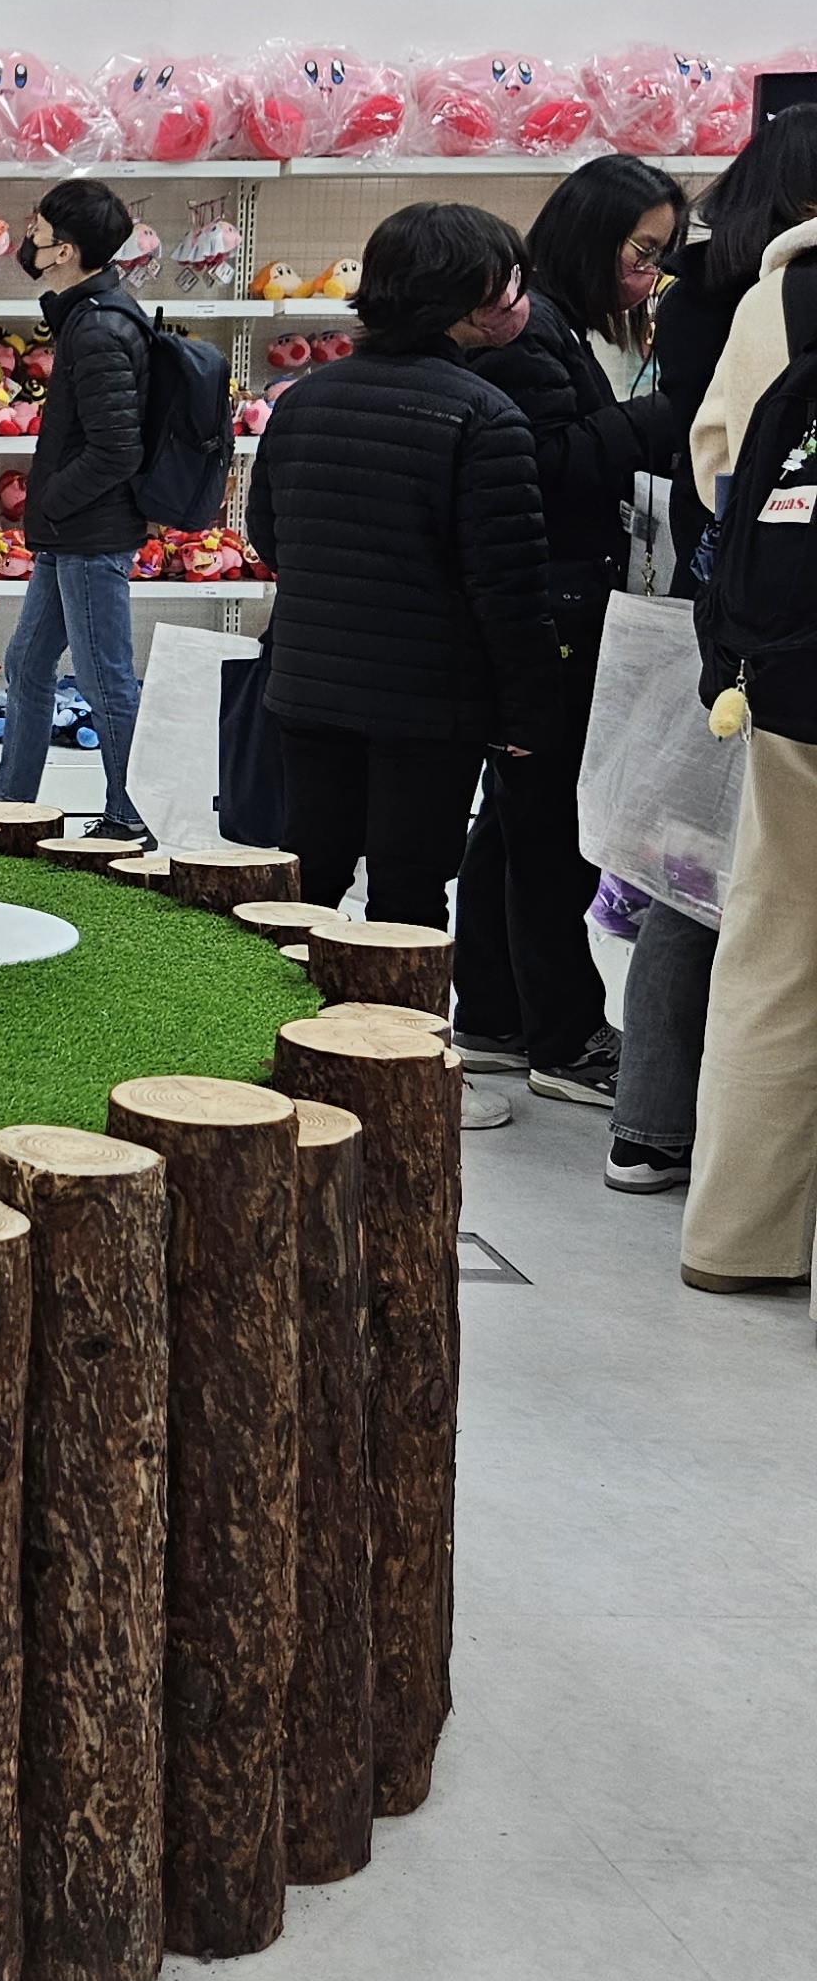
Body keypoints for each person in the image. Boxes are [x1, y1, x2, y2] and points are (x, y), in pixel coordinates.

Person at [244, 201, 558, 935]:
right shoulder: (485, 416)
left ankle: (279, 1010)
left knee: (305, 879)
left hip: (309, 682)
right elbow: (507, 589)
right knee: (409, 895)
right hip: (429, 704)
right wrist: (528, 713)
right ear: (475, 290)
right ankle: (392, 1014)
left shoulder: (302, 400)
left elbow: (269, 536)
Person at [605, 108, 817, 1191]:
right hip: (764, 615)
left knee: (714, 883)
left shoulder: (718, 293)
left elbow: (707, 454)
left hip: (741, 610)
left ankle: (675, 1150)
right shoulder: (768, 292)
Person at [450, 157, 684, 1108]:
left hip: (550, 603)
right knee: (547, 825)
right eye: (642, 250)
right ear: (593, 236)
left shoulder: (552, 326)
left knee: (517, 820)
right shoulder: (534, 331)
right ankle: (563, 1035)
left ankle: (496, 1015)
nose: (649, 273)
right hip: (547, 608)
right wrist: (666, 415)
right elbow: (545, 466)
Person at [677, 126, 817, 1290]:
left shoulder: (784, 293)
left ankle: (736, 1239)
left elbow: (719, 463)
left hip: (795, 665)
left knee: (776, 939)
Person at [0, 173, 151, 841]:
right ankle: (9, 806)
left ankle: (130, 816)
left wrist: (51, 499)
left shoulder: (99, 329)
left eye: (38, 231)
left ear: (66, 250)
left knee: (104, 677)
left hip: (90, 534)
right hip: (69, 533)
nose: (28, 239)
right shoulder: (86, 317)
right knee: (27, 664)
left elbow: (117, 450)